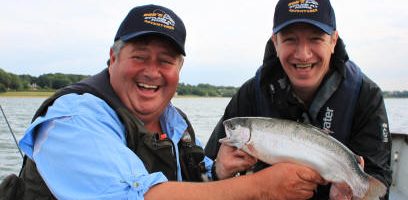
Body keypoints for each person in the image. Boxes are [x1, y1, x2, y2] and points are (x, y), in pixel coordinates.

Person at [0, 4, 326, 200]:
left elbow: (195, 187)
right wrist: (260, 187)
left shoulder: (176, 122)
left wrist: (220, 171)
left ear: (179, 69)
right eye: (139, 56)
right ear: (112, 57)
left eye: (166, 61)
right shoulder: (73, 120)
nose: (152, 72)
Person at [205, 0, 392, 199]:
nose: (303, 54)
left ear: (333, 41)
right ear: (275, 42)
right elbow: (202, 176)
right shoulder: (250, 94)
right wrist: (220, 171)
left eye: (316, 38)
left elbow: (379, 182)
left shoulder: (366, 96)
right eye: (290, 39)